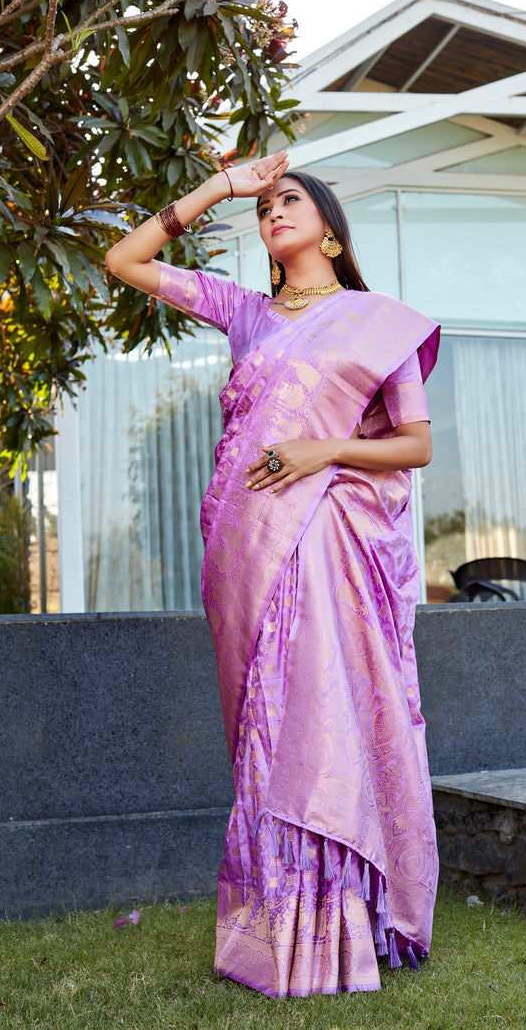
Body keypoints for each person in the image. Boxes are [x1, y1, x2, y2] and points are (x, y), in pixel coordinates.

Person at [105, 151, 440, 998]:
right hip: (244, 542)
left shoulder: (378, 323)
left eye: (290, 201)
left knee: (317, 717)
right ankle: (276, 925)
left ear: (330, 231)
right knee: (265, 724)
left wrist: (325, 449)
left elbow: (415, 445)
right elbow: (125, 260)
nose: (273, 212)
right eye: (265, 209)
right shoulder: (246, 313)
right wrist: (222, 187)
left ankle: (335, 922)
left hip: (326, 539)